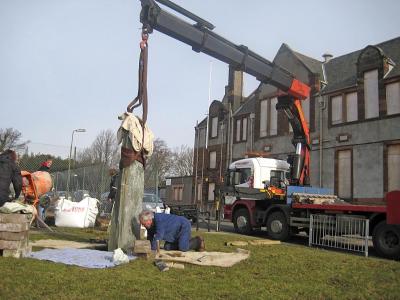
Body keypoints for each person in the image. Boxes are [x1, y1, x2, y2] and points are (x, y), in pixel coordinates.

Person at [139, 210, 205, 253]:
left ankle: (198, 241)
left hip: (183, 226)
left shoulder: (159, 220)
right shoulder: (149, 225)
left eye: (144, 223)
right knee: (167, 247)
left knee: (183, 248)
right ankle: (184, 241)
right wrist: (148, 247)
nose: (143, 225)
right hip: (174, 233)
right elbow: (150, 236)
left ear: (149, 220)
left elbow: (159, 236)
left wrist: (153, 250)